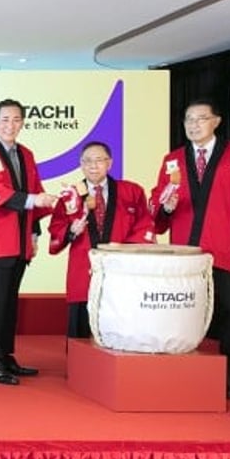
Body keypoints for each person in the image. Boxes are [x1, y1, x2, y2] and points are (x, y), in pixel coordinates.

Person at [150, 99, 230, 400]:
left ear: (216, 121)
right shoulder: (173, 160)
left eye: (201, 118)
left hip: (227, 249)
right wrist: (165, 207)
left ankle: (229, 379)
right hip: (186, 253)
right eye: (188, 119)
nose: (193, 124)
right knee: (184, 314)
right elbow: (159, 204)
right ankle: (184, 375)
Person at [0, 99, 58, 386]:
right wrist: (33, 200)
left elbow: (35, 192)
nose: (11, 125)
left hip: (19, 242)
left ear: (22, 123)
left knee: (8, 306)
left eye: (16, 120)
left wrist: (35, 233)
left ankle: (6, 357)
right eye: (5, 120)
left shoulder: (26, 154)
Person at [48, 141, 154, 338]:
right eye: (87, 161)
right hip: (83, 270)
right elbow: (55, 231)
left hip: (121, 270)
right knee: (80, 333)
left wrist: (123, 248)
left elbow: (145, 225)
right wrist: (71, 230)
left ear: (110, 163)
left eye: (99, 160)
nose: (93, 165)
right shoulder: (69, 196)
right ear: (80, 164)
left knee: (120, 330)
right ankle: (79, 368)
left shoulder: (131, 191)